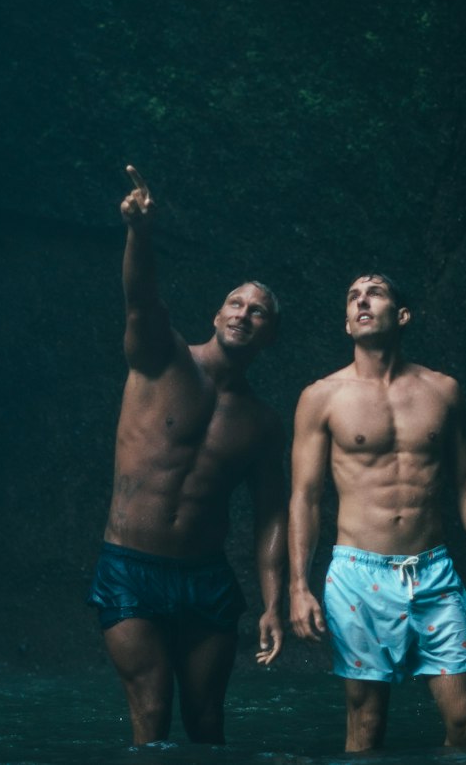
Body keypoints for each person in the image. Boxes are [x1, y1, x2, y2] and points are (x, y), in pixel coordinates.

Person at [87, 166, 286, 745]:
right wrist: (139, 232)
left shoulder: (264, 424)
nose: (242, 314)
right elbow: (140, 297)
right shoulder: (162, 358)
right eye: (234, 303)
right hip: (130, 568)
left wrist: (274, 604)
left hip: (205, 577)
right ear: (216, 314)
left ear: (269, 335)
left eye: (257, 312)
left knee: (206, 721)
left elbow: (273, 516)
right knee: (152, 711)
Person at [289, 273, 466, 752]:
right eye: (352, 297)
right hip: (356, 575)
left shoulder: (443, 391)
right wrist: (297, 585)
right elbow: (304, 497)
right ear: (348, 324)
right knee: (366, 725)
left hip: (433, 572)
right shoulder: (321, 397)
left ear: (402, 315)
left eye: (375, 293)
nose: (362, 301)